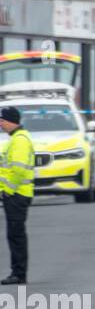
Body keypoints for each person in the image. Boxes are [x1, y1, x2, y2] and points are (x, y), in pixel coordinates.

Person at [0, 106, 35, 285]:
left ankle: (19, 273)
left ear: (10, 121)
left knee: (16, 235)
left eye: (2, 120)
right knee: (15, 234)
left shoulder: (19, 140)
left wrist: (8, 190)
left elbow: (19, 170)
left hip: (17, 194)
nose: (0, 124)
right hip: (16, 194)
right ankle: (18, 272)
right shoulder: (16, 139)